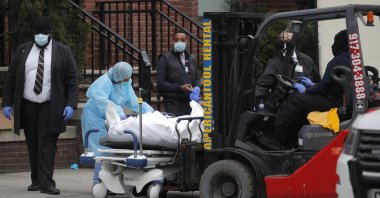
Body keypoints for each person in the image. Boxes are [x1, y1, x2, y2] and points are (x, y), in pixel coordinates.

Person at [1, 16, 78, 195]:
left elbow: (72, 80)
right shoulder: (22, 51)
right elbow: (11, 79)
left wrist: (71, 104)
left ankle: (47, 183)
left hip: (51, 105)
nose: (40, 36)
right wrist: (7, 103)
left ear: (50, 34)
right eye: (37, 33)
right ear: (33, 34)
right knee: (33, 143)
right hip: (28, 104)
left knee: (47, 143)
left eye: (43, 33)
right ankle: (36, 180)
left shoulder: (63, 51)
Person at [259, 30, 350, 150]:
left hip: (331, 101)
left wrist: (306, 90)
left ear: (340, 42)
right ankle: (291, 140)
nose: (333, 45)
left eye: (335, 41)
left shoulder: (338, 60)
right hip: (334, 98)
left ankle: (276, 139)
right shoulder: (349, 58)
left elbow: (323, 87)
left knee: (297, 99)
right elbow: (330, 84)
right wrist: (312, 84)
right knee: (300, 100)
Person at [81, 61, 154, 184]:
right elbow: (103, 102)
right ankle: (98, 181)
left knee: (110, 149)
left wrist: (147, 110)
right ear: (118, 76)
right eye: (124, 79)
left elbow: (131, 100)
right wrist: (119, 112)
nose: (126, 81)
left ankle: (110, 181)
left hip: (110, 116)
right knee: (100, 150)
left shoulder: (125, 83)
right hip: (94, 117)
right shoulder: (104, 82)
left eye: (127, 79)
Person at [254, 30, 320, 110]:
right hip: (284, 106)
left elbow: (318, 82)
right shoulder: (276, 62)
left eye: (289, 40)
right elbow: (262, 84)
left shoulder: (306, 60)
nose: (287, 43)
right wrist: (259, 101)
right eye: (285, 40)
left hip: (305, 105)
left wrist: (311, 86)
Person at [156, 30, 201, 116]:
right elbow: (160, 83)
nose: (179, 42)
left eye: (182, 40)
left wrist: (197, 88)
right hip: (173, 103)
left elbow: (197, 77)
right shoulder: (165, 58)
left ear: (186, 42)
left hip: (190, 103)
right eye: (177, 40)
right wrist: (180, 88)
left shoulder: (191, 59)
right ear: (173, 42)